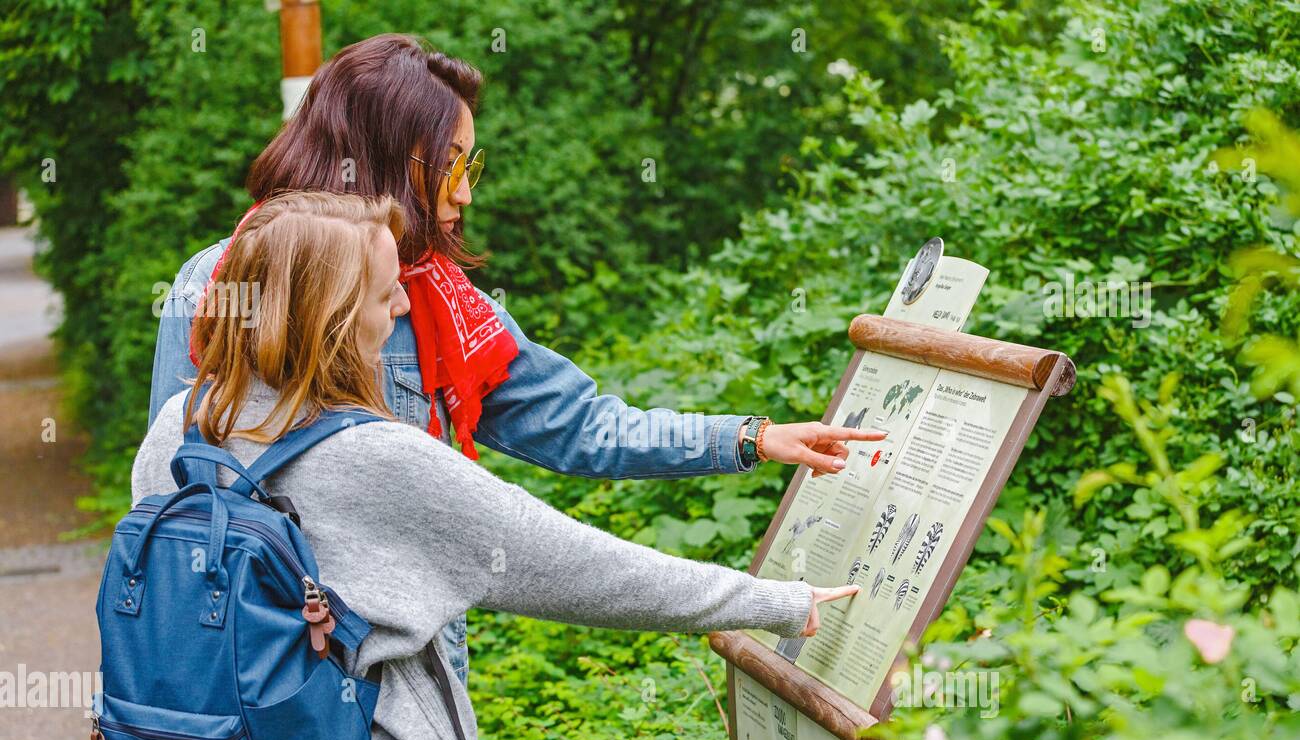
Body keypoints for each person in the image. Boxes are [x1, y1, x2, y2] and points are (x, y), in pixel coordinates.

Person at [133, 191, 858, 740]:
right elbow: (587, 572)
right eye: (387, 296)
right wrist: (779, 602)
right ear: (335, 317)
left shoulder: (179, 431)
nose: (397, 314)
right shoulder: (376, 458)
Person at [147, 33, 885, 690]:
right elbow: (169, 506)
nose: (465, 191)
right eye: (451, 165)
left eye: (474, 164)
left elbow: (579, 426)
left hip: (407, 699)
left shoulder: (444, 307)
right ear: (379, 157)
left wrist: (749, 438)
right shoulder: (214, 286)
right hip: (252, 691)